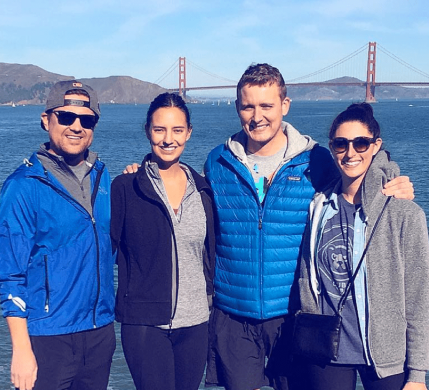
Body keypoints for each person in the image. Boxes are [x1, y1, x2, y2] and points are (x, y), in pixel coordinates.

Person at [203, 63, 414, 390]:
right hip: (234, 314)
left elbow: (356, 169)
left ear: (285, 106)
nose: (257, 115)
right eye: (248, 106)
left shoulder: (316, 160)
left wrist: (389, 176)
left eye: (266, 105)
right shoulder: (217, 162)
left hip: (295, 315)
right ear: (237, 107)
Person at [296, 103, 429, 390]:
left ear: (376, 145)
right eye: (341, 144)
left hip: (386, 355)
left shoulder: (404, 213)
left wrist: (418, 374)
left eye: (361, 143)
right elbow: (307, 273)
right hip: (327, 350)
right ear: (332, 148)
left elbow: (419, 298)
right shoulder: (319, 207)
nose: (351, 153)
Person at [0, 81, 115, 390]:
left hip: (100, 332)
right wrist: (21, 350)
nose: (76, 126)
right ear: (45, 120)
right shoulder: (23, 186)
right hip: (48, 337)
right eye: (65, 117)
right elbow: (9, 274)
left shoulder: (104, 178)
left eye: (86, 119)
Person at [111, 92, 216, 390]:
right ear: (148, 131)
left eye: (177, 130)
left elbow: (211, 256)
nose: (168, 139)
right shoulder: (126, 188)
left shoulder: (204, 191)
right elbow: (102, 252)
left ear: (189, 133)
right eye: (160, 129)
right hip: (145, 323)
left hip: (196, 322)